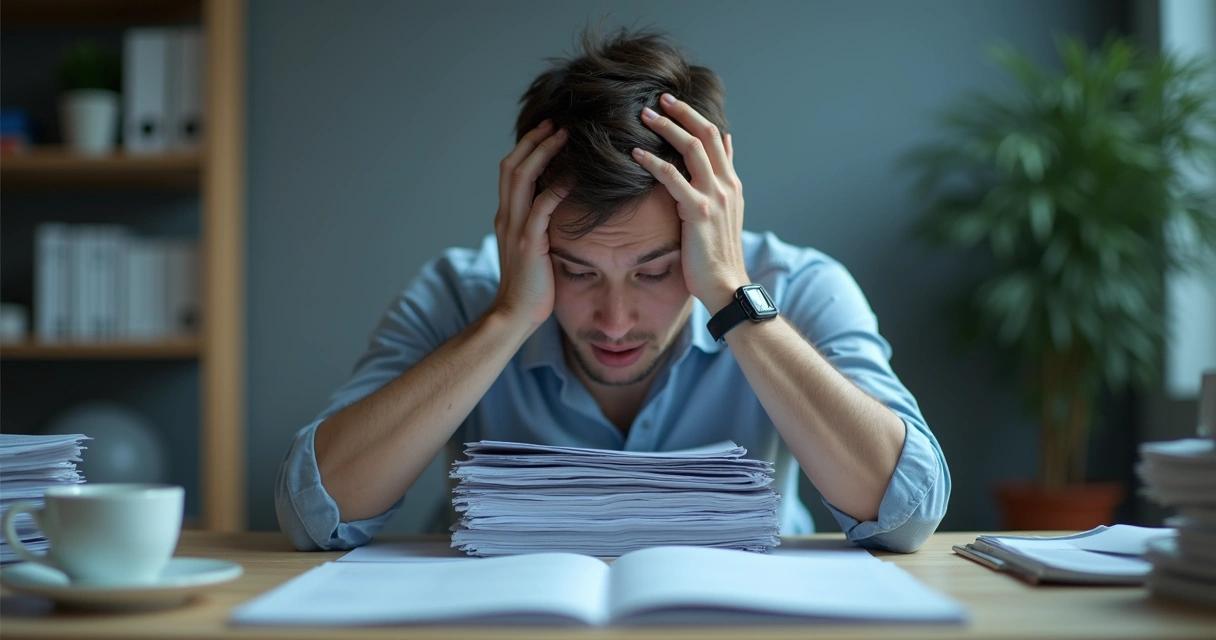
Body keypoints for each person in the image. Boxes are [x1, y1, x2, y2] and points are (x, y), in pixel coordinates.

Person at [275, 28, 950, 554]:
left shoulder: (800, 289)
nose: (616, 319)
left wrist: (731, 297)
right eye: (576, 270)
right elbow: (313, 513)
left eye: (655, 271)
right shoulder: (461, 293)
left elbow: (908, 514)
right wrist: (508, 317)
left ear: (710, 219)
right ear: (526, 235)